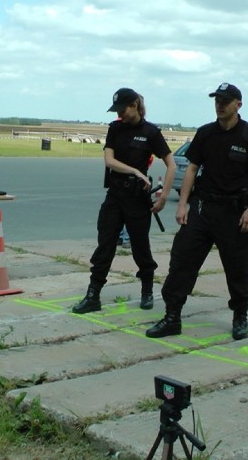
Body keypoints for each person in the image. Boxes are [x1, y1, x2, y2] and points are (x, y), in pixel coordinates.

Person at [145, 83, 248, 340]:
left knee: (237, 268)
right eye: (217, 100)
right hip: (202, 209)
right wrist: (183, 204)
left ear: (238, 104)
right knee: (182, 262)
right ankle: (172, 317)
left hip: (233, 212)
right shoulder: (205, 133)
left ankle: (240, 316)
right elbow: (191, 169)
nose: (220, 104)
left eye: (225, 100)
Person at [72, 88, 176, 314]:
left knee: (141, 248)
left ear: (134, 106)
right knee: (105, 245)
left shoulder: (150, 132)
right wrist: (135, 172)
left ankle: (147, 290)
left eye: (122, 109)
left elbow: (172, 164)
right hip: (115, 195)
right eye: (117, 110)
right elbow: (109, 161)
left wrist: (164, 197)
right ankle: (93, 295)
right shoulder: (115, 129)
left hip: (137, 200)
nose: (119, 114)